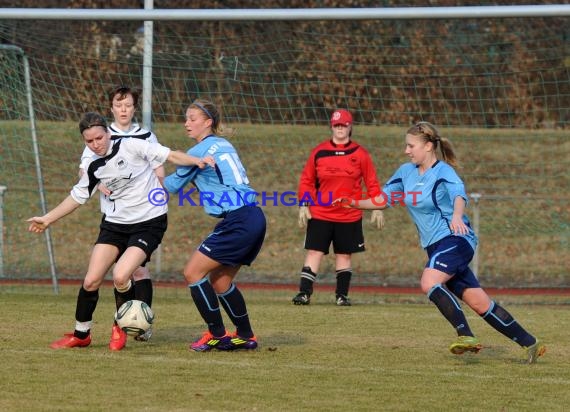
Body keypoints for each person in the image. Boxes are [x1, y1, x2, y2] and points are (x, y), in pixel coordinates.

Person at [334, 121, 546, 363]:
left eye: (410, 145)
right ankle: (531, 343)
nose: (406, 150)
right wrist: (354, 203)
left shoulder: (443, 171)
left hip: (457, 239)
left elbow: (459, 195)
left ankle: (465, 335)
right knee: (479, 303)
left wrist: (457, 216)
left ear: (427, 147)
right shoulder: (406, 172)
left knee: (429, 280)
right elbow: (383, 199)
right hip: (436, 246)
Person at [28, 112, 213, 351]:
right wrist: (47, 219)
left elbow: (169, 154)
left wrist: (196, 161)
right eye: (89, 141)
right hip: (114, 225)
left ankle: (119, 327)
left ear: (108, 133)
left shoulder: (132, 146)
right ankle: (81, 334)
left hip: (149, 222)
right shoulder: (95, 167)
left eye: (99, 138)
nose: (96, 144)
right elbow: (76, 197)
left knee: (121, 275)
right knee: (91, 279)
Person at [163, 98, 266, 352]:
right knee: (219, 281)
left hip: (239, 219)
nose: (187, 124)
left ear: (208, 122)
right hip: (253, 217)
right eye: (186, 118)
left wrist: (147, 168)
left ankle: (216, 334)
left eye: (193, 119)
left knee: (192, 273)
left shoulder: (200, 151)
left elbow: (171, 187)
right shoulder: (223, 144)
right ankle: (245, 335)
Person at [78, 85, 161, 342]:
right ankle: (94, 330)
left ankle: (141, 325)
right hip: (114, 218)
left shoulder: (146, 136)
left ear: (134, 108)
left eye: (128, 105)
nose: (123, 110)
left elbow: (158, 170)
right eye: (118, 105)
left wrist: (159, 195)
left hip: (141, 217)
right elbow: (84, 170)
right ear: (111, 107)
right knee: (110, 275)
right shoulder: (100, 136)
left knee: (137, 272)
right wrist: (97, 184)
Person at [292, 109, 385, 306]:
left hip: (349, 215)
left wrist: (377, 205)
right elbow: (307, 180)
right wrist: (303, 203)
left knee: (344, 254)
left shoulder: (360, 154)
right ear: (331, 127)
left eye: (343, 125)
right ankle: (304, 293)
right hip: (321, 213)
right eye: (336, 125)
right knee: (314, 252)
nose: (340, 128)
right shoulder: (319, 151)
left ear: (350, 127)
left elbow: (371, 181)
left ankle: (341, 296)